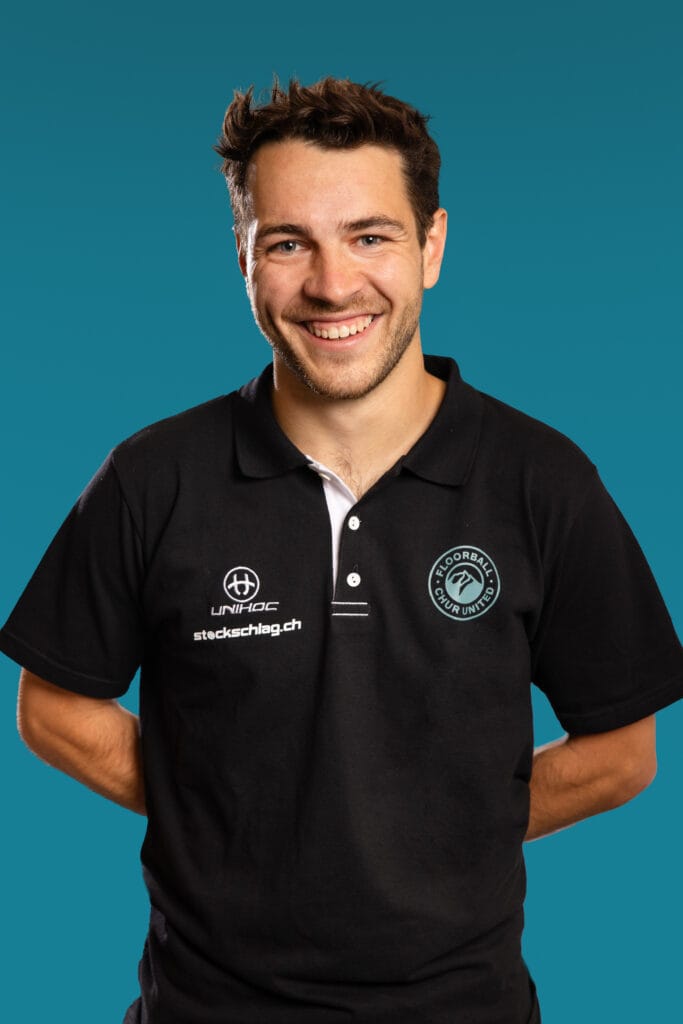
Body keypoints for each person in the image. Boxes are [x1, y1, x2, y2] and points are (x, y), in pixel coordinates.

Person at [1, 77, 681, 1024]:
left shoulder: (542, 480)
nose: (331, 285)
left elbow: (623, 754)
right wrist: (223, 813)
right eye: (288, 243)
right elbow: (53, 707)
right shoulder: (153, 477)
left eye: (370, 237)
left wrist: (441, 833)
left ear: (431, 246)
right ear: (243, 257)